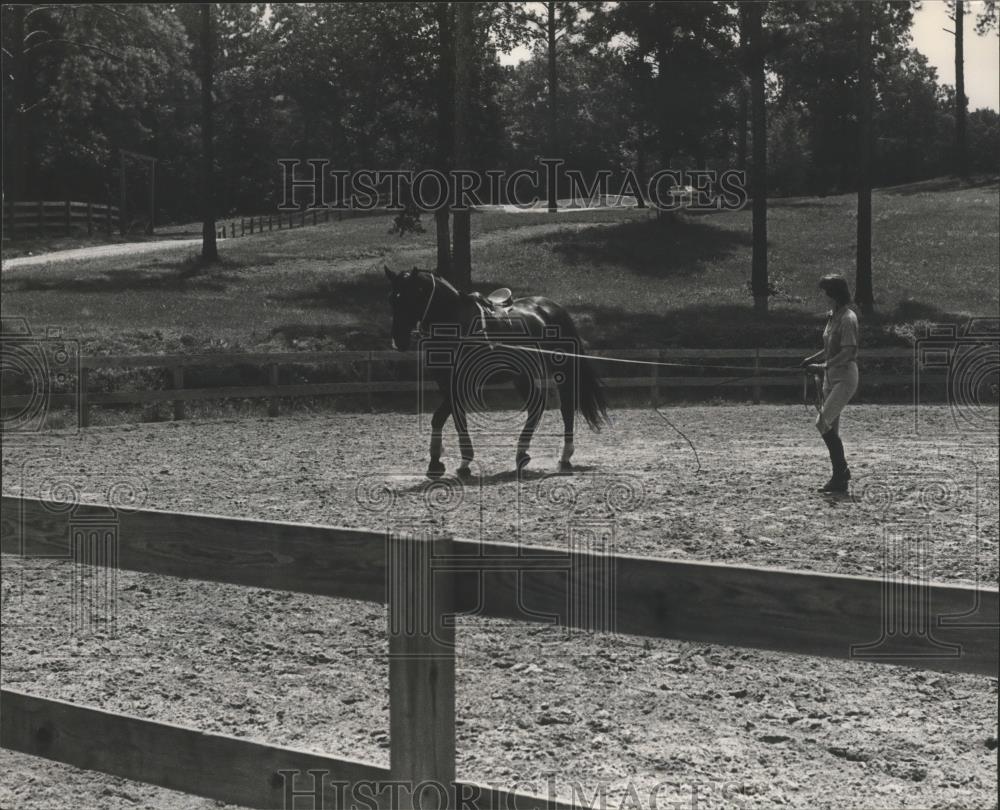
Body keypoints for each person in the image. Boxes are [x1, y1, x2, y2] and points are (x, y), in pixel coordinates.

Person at [800, 274, 860, 493]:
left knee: (822, 422)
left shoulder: (848, 318)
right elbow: (828, 348)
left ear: (834, 294)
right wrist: (812, 360)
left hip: (844, 376)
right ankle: (839, 480)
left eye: (825, 292)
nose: (823, 296)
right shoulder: (833, 317)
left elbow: (848, 352)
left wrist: (823, 366)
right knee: (830, 427)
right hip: (830, 376)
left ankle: (842, 471)